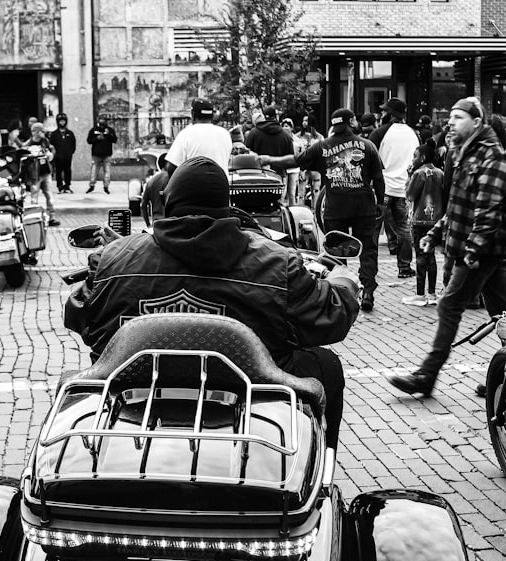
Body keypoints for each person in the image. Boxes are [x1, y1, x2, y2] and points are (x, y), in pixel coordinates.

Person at [64, 156, 360, 449]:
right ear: (227, 204)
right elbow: (330, 316)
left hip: (135, 393)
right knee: (327, 365)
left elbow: (83, 318)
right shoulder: (278, 262)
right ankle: (321, 468)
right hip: (252, 393)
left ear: (166, 201)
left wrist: (118, 257)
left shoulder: (114, 258)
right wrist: (344, 280)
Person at [389, 97, 506, 397]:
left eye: (459, 117)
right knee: (505, 315)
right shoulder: (465, 156)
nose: (451, 122)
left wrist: (472, 250)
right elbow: (458, 208)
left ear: (476, 122)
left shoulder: (492, 158)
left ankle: (426, 376)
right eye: (451, 116)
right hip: (480, 250)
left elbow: (489, 212)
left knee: (449, 305)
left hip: (481, 252)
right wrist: (435, 233)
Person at [260, 108, 385, 312]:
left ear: (334, 125)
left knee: (337, 251)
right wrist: (381, 203)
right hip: (364, 205)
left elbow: (295, 161)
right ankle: (368, 292)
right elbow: (378, 178)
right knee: (368, 250)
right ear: (351, 122)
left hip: (336, 208)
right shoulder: (367, 145)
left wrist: (268, 160)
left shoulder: (322, 146)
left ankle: (343, 294)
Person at [376, 97, 419, 278]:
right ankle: (404, 267)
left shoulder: (380, 133)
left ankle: (369, 268)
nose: (381, 114)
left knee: (373, 229)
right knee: (404, 229)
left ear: (391, 114)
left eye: (384, 111)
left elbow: (371, 159)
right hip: (403, 189)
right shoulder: (413, 134)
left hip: (383, 189)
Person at [402, 139, 445, 307]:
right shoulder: (440, 173)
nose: (413, 159)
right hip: (435, 220)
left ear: (423, 157)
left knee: (420, 257)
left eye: (415, 156)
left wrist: (408, 176)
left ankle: (420, 294)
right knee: (431, 256)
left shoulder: (419, 173)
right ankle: (432, 293)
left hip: (420, 219)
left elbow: (410, 195)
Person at [165, 98, 232, 175]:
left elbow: (172, 168)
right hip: (221, 185)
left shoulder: (186, 134)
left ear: (193, 114)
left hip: (193, 186)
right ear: (213, 115)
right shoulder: (225, 134)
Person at [244, 106, 295, 191]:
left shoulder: (254, 132)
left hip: (257, 176)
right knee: (278, 202)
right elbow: (290, 159)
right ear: (276, 116)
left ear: (264, 116)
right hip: (279, 177)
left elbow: (246, 153)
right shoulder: (285, 136)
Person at [26, 121, 58, 226]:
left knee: (49, 194)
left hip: (46, 172)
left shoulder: (45, 142)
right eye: (35, 131)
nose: (37, 133)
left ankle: (52, 216)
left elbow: (52, 152)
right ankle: (33, 216)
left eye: (40, 131)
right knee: (34, 196)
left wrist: (49, 153)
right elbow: (22, 153)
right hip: (35, 174)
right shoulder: (29, 144)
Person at [294, 115, 324, 205]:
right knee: (301, 193)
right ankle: (300, 211)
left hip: (315, 168)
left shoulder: (319, 137)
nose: (304, 123)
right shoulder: (297, 136)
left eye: (307, 121)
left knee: (316, 191)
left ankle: (315, 212)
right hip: (303, 168)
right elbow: (296, 153)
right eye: (303, 121)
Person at [86, 115, 117, 194]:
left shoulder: (110, 130)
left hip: (107, 154)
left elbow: (114, 140)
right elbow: (89, 140)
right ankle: (92, 185)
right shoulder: (94, 130)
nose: (102, 121)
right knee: (94, 171)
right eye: (100, 120)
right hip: (96, 154)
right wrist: (97, 138)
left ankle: (106, 186)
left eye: (103, 120)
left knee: (107, 171)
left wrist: (109, 134)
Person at [49, 112, 76, 193]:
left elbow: (73, 144)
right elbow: (51, 144)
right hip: (58, 156)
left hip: (68, 156)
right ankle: (60, 186)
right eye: (60, 121)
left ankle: (67, 185)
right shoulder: (54, 134)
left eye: (63, 121)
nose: (62, 123)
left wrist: (71, 152)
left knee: (68, 170)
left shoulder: (70, 133)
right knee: (58, 171)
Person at [141, 153, 169, 226]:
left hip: (156, 224)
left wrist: (148, 224)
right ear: (167, 164)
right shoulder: (173, 178)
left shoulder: (151, 181)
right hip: (170, 222)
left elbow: (143, 205)